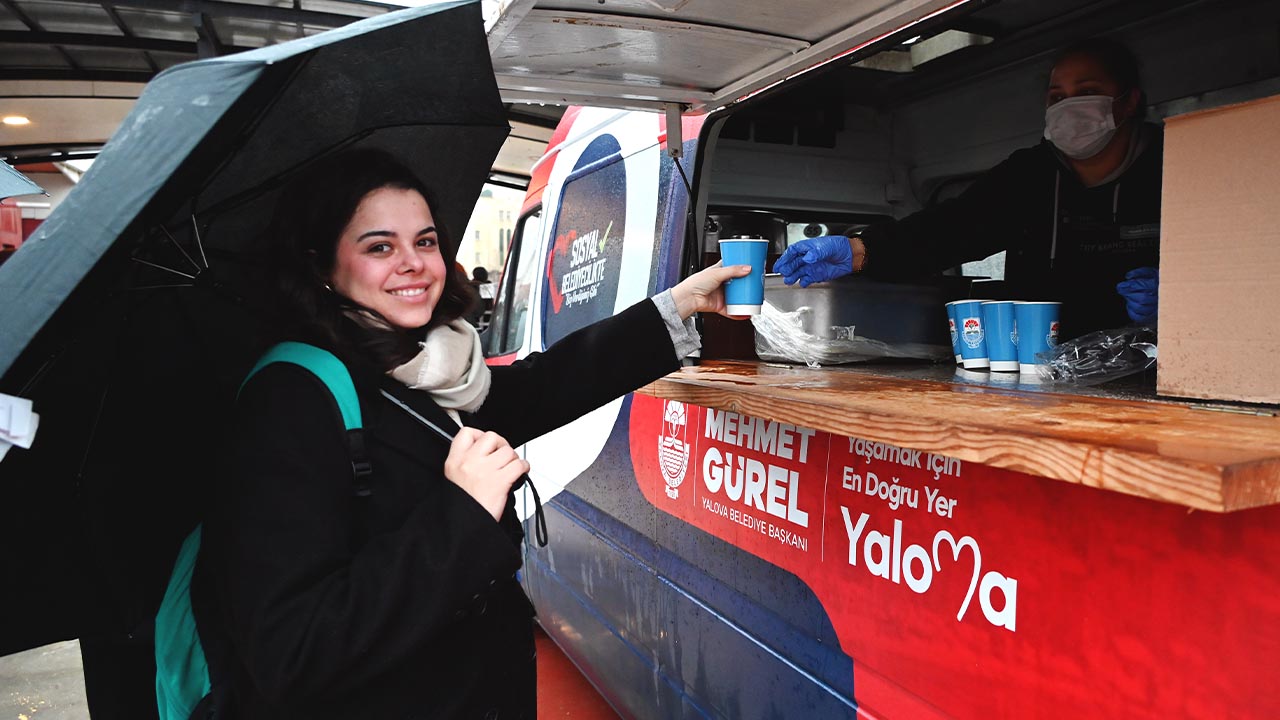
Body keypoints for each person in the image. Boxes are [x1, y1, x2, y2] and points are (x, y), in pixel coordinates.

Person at [190, 148, 748, 719]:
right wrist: (464, 511)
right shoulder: (289, 398)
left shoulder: (421, 364)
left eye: (425, 241)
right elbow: (293, 651)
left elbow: (540, 386)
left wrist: (679, 305)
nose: (413, 263)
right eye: (379, 246)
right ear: (321, 265)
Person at [774, 37, 1161, 337]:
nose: (1068, 106)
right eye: (1057, 97)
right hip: (1040, 364)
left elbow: (1217, 265)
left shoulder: (1170, 166)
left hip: (1154, 367)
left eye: (1086, 91)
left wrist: (1181, 298)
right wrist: (859, 250)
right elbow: (950, 230)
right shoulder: (1031, 174)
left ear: (1128, 103)